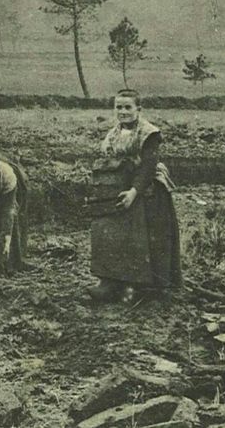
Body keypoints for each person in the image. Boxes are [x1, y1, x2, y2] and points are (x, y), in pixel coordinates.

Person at [88, 89, 181, 303]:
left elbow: (148, 167)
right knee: (111, 231)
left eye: (128, 107)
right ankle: (110, 281)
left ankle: (141, 286)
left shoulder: (149, 133)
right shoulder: (113, 133)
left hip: (147, 189)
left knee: (143, 237)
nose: (123, 112)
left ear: (138, 110)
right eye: (118, 107)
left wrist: (134, 192)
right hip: (121, 186)